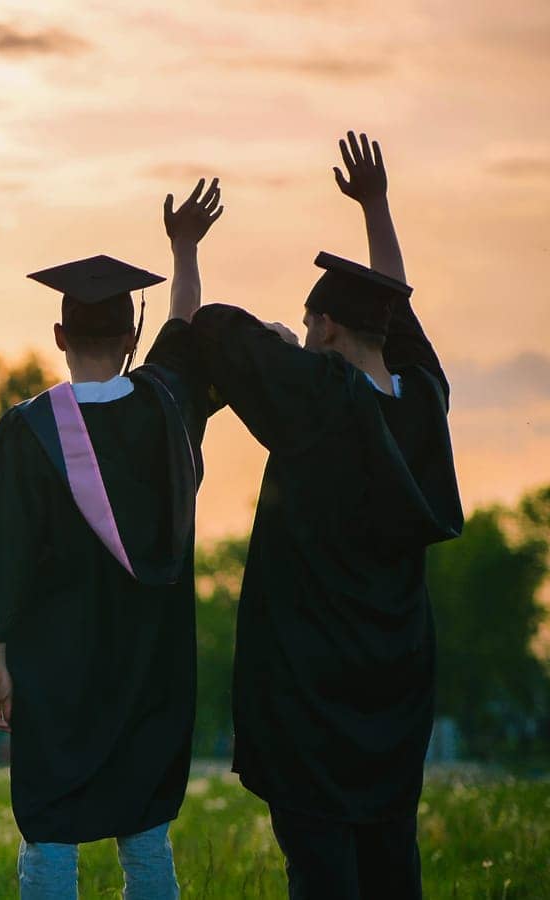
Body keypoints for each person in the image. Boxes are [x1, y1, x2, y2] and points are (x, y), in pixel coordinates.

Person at [181, 133, 463, 899]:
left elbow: (212, 328)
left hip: (310, 700)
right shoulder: (425, 403)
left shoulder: (320, 402)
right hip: (395, 695)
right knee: (391, 871)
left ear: (328, 329)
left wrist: (281, 345)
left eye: (309, 327)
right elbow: (394, 309)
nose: (305, 337)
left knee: (323, 879)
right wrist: (377, 206)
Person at [0, 179, 226, 899]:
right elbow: (189, 335)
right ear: (134, 336)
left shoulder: (27, 431)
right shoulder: (167, 410)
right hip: (150, 660)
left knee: (49, 828)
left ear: (60, 337)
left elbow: (1, 556)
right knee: (145, 829)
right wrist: (185, 249)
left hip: (57, 664)